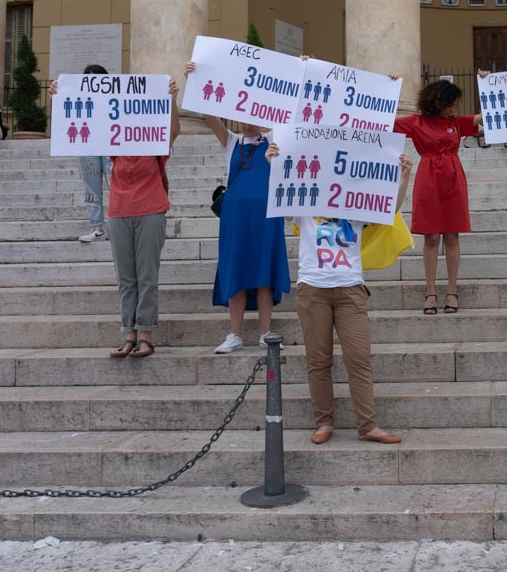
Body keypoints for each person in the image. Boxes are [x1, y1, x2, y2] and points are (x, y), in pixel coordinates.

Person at [266, 140, 412, 445]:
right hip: (313, 289)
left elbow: (388, 210)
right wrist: (273, 165)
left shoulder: (355, 204)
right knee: (318, 360)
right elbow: (284, 195)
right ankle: (324, 422)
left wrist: (403, 177)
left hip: (350, 289)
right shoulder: (305, 203)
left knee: (358, 358)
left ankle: (368, 425)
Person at [49, 75, 181, 358]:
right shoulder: (113, 145)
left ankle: (145, 333)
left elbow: (172, 132)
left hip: (151, 210)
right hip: (119, 212)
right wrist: (60, 98)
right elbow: (85, 123)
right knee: (125, 278)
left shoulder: (154, 144)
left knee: (147, 275)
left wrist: (171, 100)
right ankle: (129, 334)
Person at [184, 60, 291, 353]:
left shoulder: (275, 139)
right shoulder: (231, 141)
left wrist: (302, 71)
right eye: (241, 116)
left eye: (251, 116)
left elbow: (295, 114)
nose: (245, 121)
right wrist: (196, 77)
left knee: (265, 274)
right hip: (235, 219)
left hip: (267, 217)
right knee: (236, 270)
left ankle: (266, 333)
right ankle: (235, 334)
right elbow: (208, 114)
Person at [394, 80, 484, 314]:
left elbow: (484, 117)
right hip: (429, 178)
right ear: (437, 102)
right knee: (431, 237)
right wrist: (389, 85)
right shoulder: (416, 122)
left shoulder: (455, 123)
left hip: (454, 179)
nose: (453, 109)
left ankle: (452, 291)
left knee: (452, 236)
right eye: (449, 105)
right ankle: (431, 291)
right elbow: (383, 125)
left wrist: (486, 82)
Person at [76, 65, 111, 242]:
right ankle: (96, 227)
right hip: (87, 146)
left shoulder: (116, 96)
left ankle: (116, 226)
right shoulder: (77, 96)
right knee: (91, 187)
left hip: (111, 144)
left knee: (117, 185)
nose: (92, 81)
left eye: (96, 77)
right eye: (88, 78)